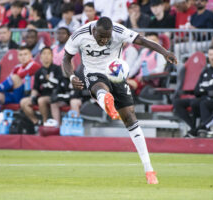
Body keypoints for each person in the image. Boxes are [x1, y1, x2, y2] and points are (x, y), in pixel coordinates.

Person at [62, 17, 177, 184]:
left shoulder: (118, 31)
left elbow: (142, 41)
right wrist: (72, 76)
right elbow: (66, 59)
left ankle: (149, 170)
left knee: (130, 118)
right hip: (93, 72)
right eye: (101, 36)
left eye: (107, 38)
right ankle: (105, 100)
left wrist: (165, 52)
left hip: (115, 74)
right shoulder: (80, 34)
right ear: (94, 30)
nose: (104, 40)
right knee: (100, 88)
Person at [0, 46, 41, 134]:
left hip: (27, 95)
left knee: (15, 77)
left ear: (31, 55)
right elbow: (7, 80)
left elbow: (21, 75)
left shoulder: (34, 65)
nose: (23, 57)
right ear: (18, 57)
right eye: (20, 55)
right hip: (15, 94)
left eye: (25, 54)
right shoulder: (17, 67)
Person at [173, 46, 213, 137]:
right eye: (210, 54)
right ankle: (193, 127)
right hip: (201, 96)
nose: (212, 57)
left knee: (197, 102)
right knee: (177, 103)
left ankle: (203, 129)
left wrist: (202, 90)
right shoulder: (205, 71)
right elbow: (196, 89)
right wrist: (203, 90)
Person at [20, 47, 62, 126]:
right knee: (23, 102)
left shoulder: (57, 69)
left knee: (41, 100)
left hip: (55, 96)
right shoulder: (38, 72)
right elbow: (35, 88)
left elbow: (61, 85)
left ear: (52, 56)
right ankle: (36, 122)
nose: (46, 56)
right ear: (40, 57)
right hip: (42, 95)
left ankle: (45, 122)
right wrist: (32, 97)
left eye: (48, 53)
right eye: (44, 54)